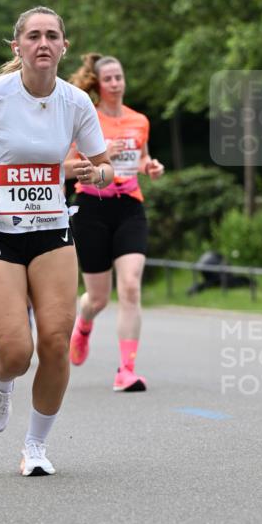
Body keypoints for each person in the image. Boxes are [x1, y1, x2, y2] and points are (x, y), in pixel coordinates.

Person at [0, 6, 112, 476]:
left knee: (55, 342)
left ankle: (35, 447)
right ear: (16, 47)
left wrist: (90, 172)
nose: (42, 43)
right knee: (17, 352)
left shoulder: (76, 102)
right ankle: (1, 381)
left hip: (53, 229)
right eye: (33, 36)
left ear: (63, 47)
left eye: (51, 36)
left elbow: (104, 166)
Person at [65, 54, 165, 392]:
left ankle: (126, 370)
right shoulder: (85, 118)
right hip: (92, 207)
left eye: (119, 77)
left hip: (129, 208)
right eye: (108, 79)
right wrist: (98, 152)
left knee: (131, 286)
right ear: (97, 83)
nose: (115, 84)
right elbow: (65, 164)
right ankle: (83, 325)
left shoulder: (139, 120)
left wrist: (149, 167)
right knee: (97, 299)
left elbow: (140, 158)